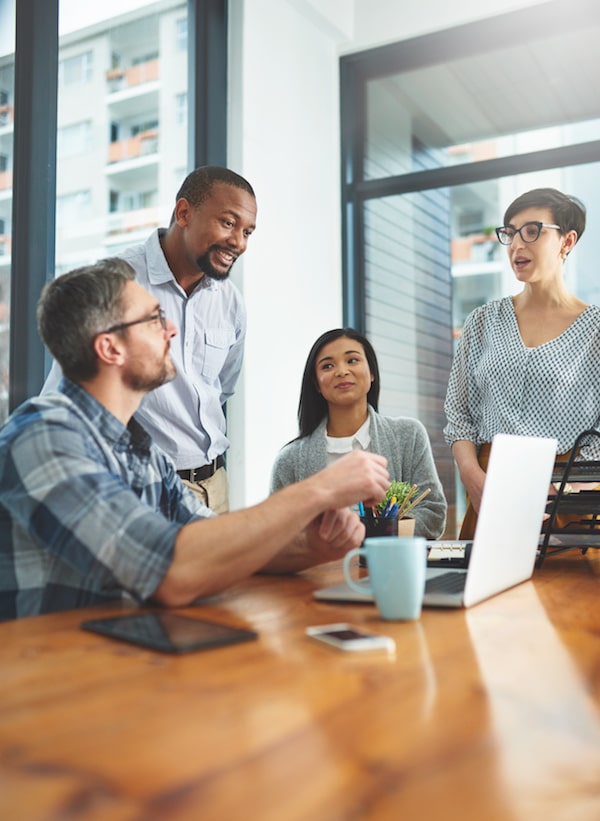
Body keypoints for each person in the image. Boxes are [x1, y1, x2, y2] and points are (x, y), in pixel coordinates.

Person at [0, 260, 390, 621]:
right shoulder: (44, 436)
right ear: (110, 347)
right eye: (154, 319)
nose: (172, 329)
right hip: (48, 681)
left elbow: (212, 543)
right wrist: (319, 490)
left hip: (120, 663)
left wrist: (314, 547)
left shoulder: (143, 450)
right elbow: (172, 569)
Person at [44, 166, 256, 514]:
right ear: (184, 213)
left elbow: (221, 390)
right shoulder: (119, 283)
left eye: (248, 231)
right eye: (228, 223)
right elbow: (66, 395)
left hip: (215, 486)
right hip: (140, 487)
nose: (239, 242)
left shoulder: (230, 302)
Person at [444, 187, 600, 538]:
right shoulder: (482, 321)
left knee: (566, 592)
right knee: (483, 592)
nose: (516, 244)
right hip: (489, 489)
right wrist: (473, 479)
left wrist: (569, 489)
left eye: (532, 231)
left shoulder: (597, 330)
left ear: (566, 241)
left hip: (569, 500)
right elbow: (459, 415)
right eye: (510, 233)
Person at [270, 328, 447, 538]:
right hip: (319, 570)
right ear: (316, 384)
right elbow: (276, 532)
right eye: (327, 366)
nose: (342, 371)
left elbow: (433, 514)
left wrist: (371, 535)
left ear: (372, 373)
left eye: (352, 360)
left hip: (389, 567)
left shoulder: (408, 435)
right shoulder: (289, 460)